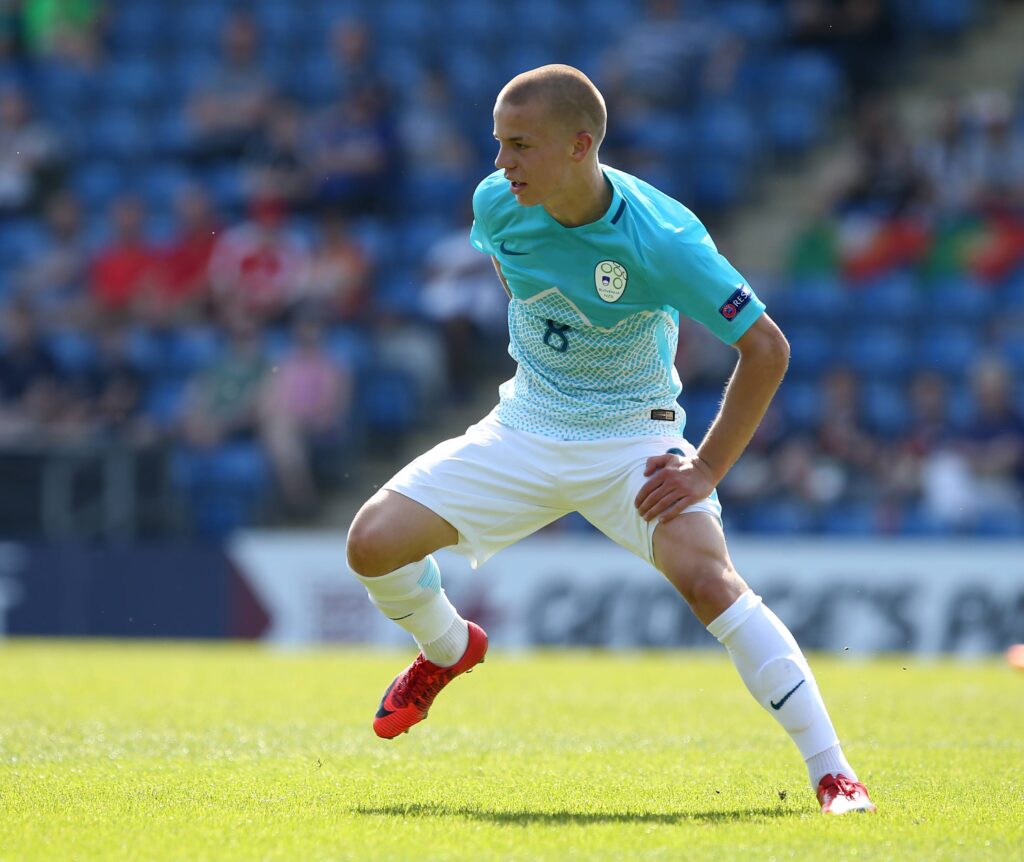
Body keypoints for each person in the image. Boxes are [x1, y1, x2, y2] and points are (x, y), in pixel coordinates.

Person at [345, 65, 876, 816]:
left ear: (579, 144)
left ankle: (833, 774)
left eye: (521, 145)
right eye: (498, 144)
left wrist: (707, 470)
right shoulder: (498, 203)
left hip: (631, 440)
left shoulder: (663, 240)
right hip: (526, 425)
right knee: (370, 543)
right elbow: (516, 276)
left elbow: (767, 349)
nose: (502, 163)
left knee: (710, 583)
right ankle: (447, 648)